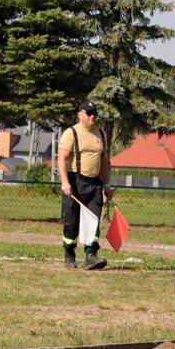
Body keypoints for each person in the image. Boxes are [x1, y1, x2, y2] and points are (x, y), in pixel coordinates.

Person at [56, 100, 112, 270]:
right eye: (89, 113)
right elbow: (61, 159)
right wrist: (65, 182)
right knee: (71, 222)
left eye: (95, 113)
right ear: (80, 114)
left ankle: (91, 256)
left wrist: (107, 184)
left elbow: (104, 161)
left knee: (93, 220)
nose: (92, 116)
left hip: (95, 184)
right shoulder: (71, 133)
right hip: (75, 182)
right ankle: (69, 254)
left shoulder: (101, 134)